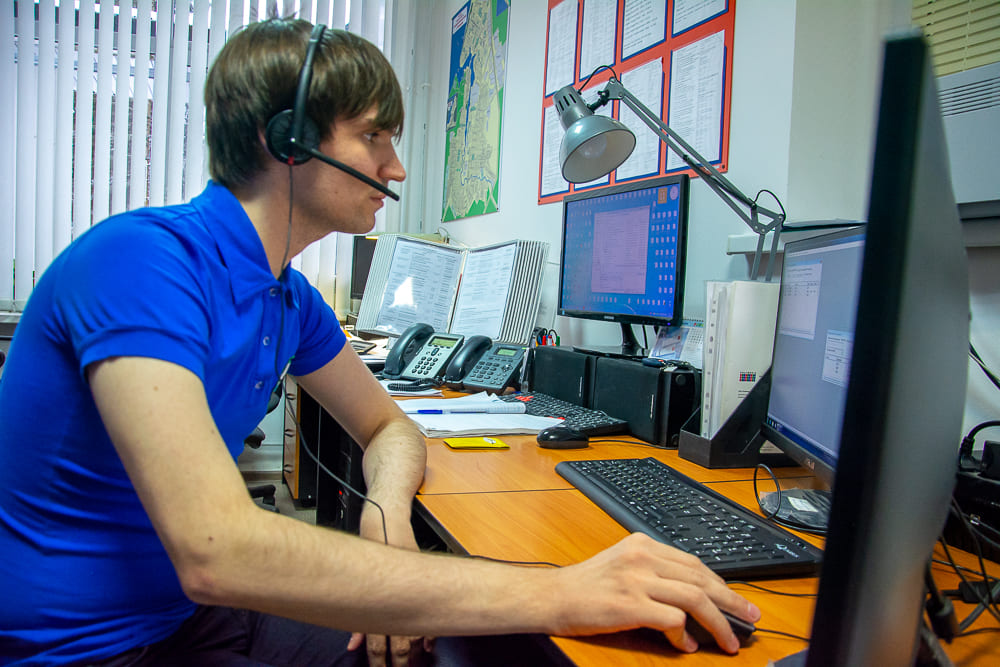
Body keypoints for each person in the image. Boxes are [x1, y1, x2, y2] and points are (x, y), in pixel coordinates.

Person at [0, 19, 760, 666]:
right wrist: (561, 590)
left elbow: (389, 427)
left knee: (457, 649)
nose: (394, 167)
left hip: (190, 617)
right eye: (373, 137)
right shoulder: (141, 263)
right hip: (80, 646)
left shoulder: (287, 298)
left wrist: (387, 509)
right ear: (287, 141)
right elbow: (215, 549)